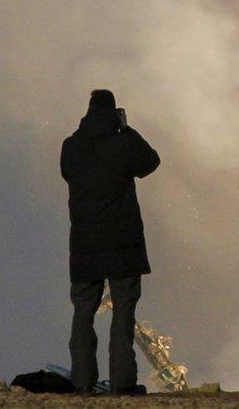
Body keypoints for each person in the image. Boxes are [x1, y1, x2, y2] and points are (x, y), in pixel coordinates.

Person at [60, 89, 160, 395]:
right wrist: (126, 128)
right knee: (123, 312)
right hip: (122, 244)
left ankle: (81, 381)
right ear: (114, 111)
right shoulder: (123, 141)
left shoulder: (71, 146)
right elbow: (151, 162)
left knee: (82, 313)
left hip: (85, 245)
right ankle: (122, 382)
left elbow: (67, 174)